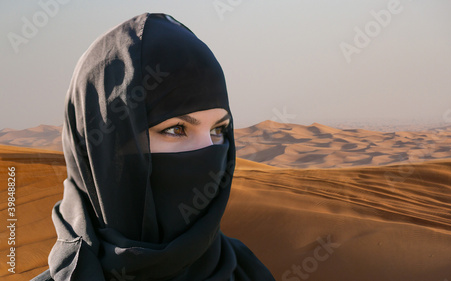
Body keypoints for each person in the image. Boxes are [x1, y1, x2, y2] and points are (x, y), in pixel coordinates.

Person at [32, 12, 275, 281]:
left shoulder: (248, 272)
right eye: (176, 129)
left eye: (218, 130)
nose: (210, 152)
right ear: (102, 149)